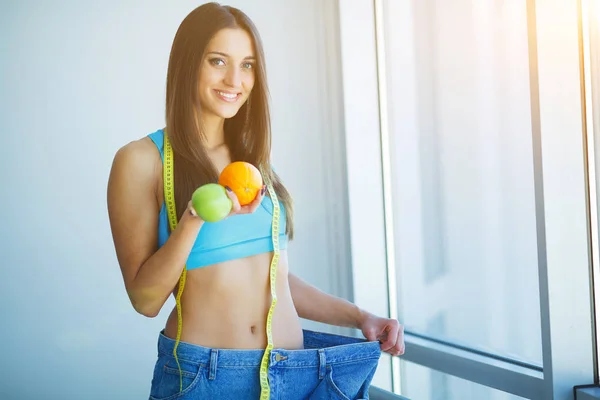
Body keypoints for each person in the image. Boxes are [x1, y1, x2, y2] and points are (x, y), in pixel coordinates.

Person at [107, 2, 404, 399]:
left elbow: (272, 277)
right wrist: (193, 218)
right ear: (187, 64)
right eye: (218, 61)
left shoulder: (252, 162)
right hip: (208, 380)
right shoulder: (143, 161)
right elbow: (145, 300)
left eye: (247, 65)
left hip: (297, 375)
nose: (235, 79)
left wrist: (360, 317)